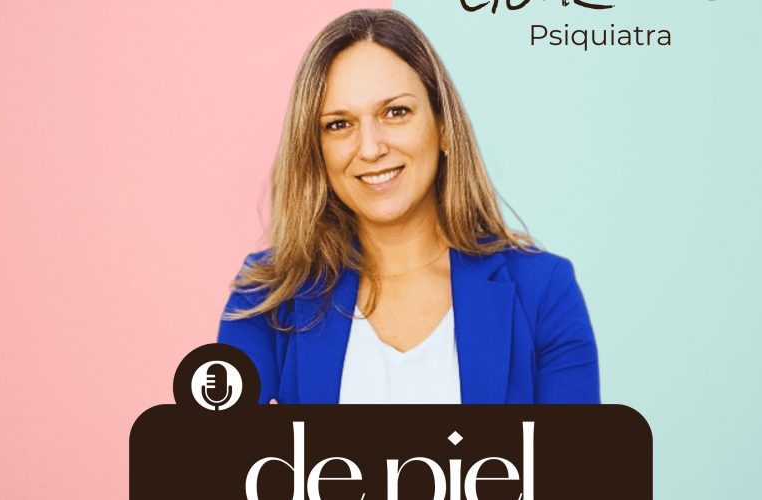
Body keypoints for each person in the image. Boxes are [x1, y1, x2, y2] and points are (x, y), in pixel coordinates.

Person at [218, 9, 599, 404]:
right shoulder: (264, 299)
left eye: (395, 112)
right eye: (339, 124)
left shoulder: (543, 291)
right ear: (317, 149)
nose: (370, 148)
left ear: (444, 127)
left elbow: (573, 447)